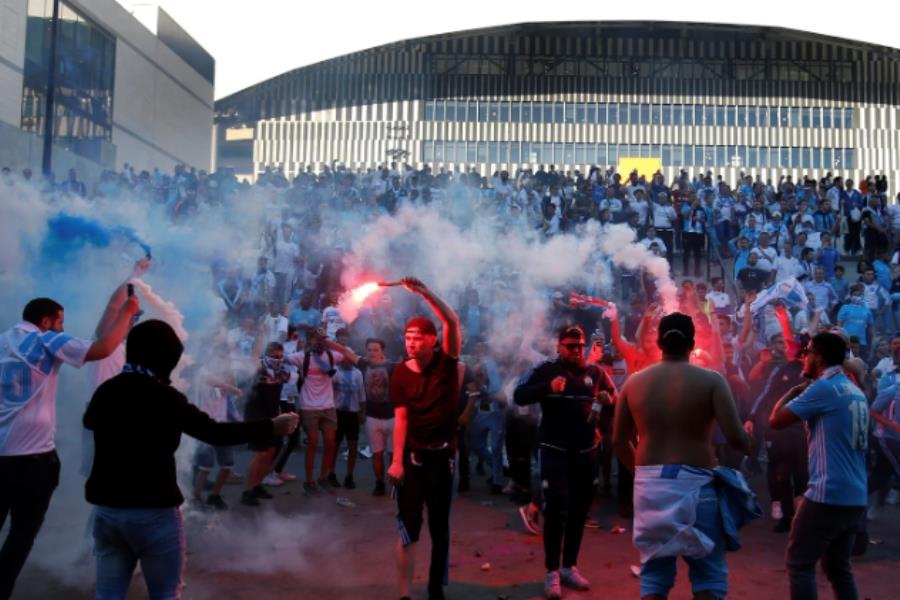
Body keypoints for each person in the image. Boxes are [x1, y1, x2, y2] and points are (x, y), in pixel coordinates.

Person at [84, 320, 299, 599]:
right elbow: (214, 432)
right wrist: (270, 426)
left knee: (108, 594)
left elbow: (89, 420)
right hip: (153, 510)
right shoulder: (165, 397)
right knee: (165, 593)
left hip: (108, 510)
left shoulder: (107, 391)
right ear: (164, 357)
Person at [0, 291, 140, 600]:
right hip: (32, 461)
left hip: (2, 456)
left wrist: (130, 282)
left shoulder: (4, 339)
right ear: (46, 321)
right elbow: (102, 347)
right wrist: (129, 310)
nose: (62, 328)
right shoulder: (45, 340)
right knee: (20, 536)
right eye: (60, 322)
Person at [613, 313, 755, 600]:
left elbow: (617, 441)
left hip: (650, 488)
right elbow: (737, 439)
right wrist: (753, 439)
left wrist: (642, 474)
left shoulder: (634, 383)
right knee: (709, 575)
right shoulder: (712, 380)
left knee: (653, 576)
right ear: (692, 343)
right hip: (697, 486)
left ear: (658, 342)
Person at [514, 324, 616, 599]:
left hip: (586, 453)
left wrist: (608, 399)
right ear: (558, 346)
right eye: (570, 345)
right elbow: (518, 394)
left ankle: (570, 566)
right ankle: (552, 571)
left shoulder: (595, 372)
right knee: (556, 511)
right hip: (554, 451)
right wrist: (547, 388)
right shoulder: (546, 370)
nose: (575, 350)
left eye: (579, 345)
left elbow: (614, 397)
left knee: (578, 513)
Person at [769, 332, 869, 600]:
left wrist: (793, 390)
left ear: (820, 357)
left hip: (828, 494)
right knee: (839, 568)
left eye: (808, 352)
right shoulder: (854, 390)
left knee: (800, 563)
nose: (803, 357)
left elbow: (776, 419)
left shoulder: (823, 388)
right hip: (855, 495)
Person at [387, 278, 461, 600]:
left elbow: (452, 321)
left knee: (439, 527)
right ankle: (404, 593)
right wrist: (395, 461)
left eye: (417, 338)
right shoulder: (400, 373)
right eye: (407, 338)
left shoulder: (446, 365)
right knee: (408, 527)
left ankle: (434, 586)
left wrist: (425, 293)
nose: (411, 344)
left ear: (433, 341)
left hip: (442, 458)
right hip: (412, 461)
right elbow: (400, 418)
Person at [241, 341, 292, 506]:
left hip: (272, 415)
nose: (278, 359)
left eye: (280, 356)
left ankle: (257, 485)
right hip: (256, 416)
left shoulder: (281, 370)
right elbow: (255, 359)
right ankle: (247, 491)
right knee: (261, 453)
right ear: (266, 355)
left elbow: (288, 377)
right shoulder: (258, 369)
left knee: (271, 451)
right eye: (274, 356)